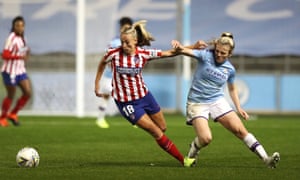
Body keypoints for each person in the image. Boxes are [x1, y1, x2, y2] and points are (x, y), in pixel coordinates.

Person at [94, 20, 195, 167]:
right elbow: (102, 63)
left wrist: (193, 47)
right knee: (155, 131)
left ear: (135, 41)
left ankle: (158, 137)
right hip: (126, 103)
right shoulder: (114, 54)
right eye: (122, 42)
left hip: (145, 96)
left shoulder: (143, 54)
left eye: (127, 42)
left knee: (162, 128)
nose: (124, 46)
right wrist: (96, 83)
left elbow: (170, 53)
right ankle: (183, 160)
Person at [172, 32, 280, 168]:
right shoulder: (205, 55)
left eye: (223, 53)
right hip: (197, 102)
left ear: (230, 54)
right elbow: (182, 51)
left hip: (217, 100)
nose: (219, 55)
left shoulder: (230, 70)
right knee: (206, 139)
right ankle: (194, 148)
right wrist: (179, 45)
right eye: (217, 51)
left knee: (240, 130)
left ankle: (266, 159)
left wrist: (239, 107)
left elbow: (232, 89)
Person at [96, 17, 133, 128]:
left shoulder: (132, 42)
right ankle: (100, 118)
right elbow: (107, 59)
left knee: (129, 96)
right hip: (111, 76)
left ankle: (134, 118)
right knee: (107, 96)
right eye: (124, 27)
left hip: (124, 76)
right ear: (121, 28)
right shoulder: (115, 42)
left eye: (128, 27)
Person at [0, 16, 31, 127]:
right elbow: (5, 55)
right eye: (17, 25)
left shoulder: (23, 38)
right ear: (13, 27)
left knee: (27, 93)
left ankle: (13, 114)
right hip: (9, 71)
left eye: (22, 26)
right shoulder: (11, 38)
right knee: (11, 95)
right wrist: (18, 58)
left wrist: (27, 53)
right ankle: (2, 117)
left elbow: (24, 50)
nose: (20, 28)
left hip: (20, 70)